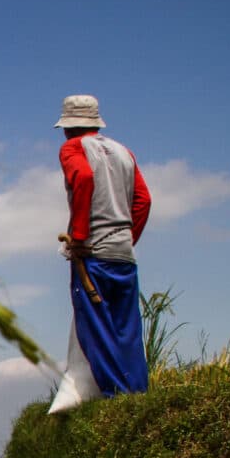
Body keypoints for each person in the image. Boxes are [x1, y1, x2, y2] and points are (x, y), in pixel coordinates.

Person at [48, 94, 153, 414]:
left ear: (68, 126)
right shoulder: (124, 152)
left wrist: (79, 237)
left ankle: (116, 398)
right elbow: (143, 201)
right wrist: (127, 238)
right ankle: (137, 393)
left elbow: (84, 177)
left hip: (94, 253)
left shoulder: (72, 149)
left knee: (96, 326)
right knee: (126, 326)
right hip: (123, 253)